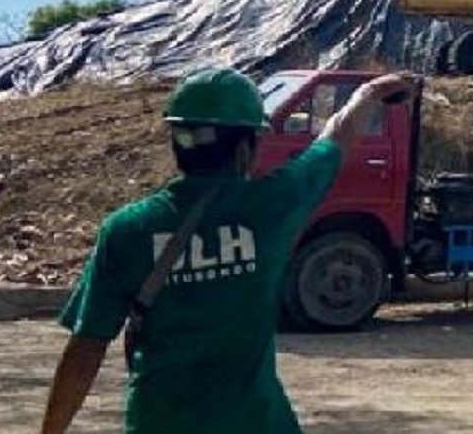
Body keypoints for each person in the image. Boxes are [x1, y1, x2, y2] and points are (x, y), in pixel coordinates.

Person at [40, 66, 409, 434]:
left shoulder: (127, 229)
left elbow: (86, 347)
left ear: (176, 141)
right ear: (247, 146)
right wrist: (370, 93)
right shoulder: (273, 206)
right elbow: (336, 139)